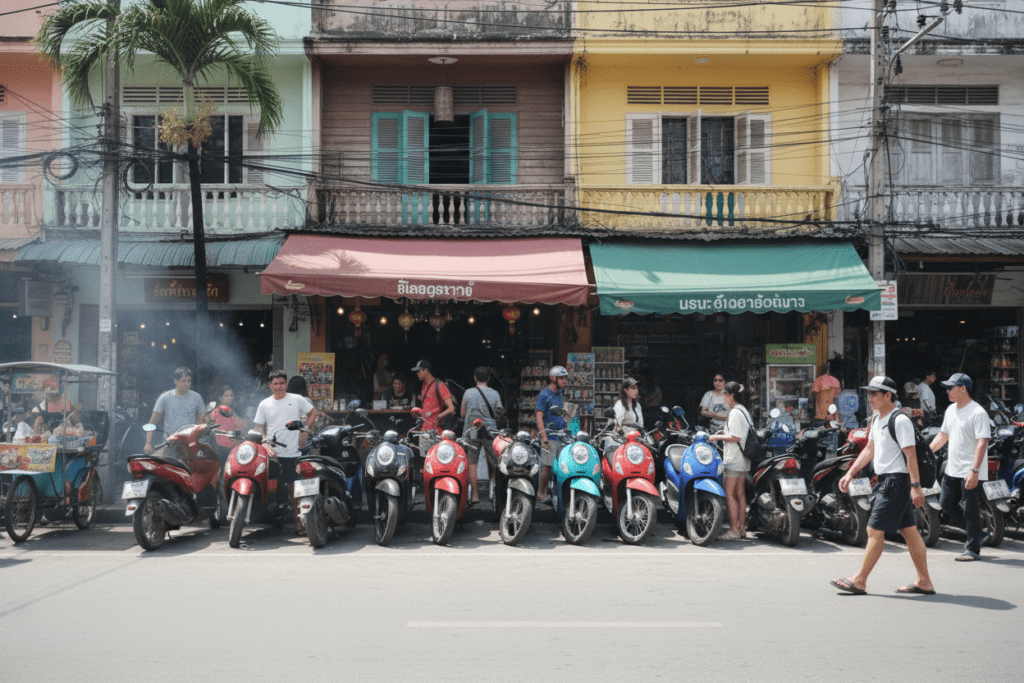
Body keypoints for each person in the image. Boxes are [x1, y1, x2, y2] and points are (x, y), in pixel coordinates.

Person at [829, 376, 935, 596]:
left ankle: (859, 580)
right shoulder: (877, 418)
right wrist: (850, 473)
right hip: (888, 480)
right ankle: (924, 581)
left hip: (896, 481)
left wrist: (915, 486)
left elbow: (910, 455)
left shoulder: (900, 420)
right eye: (868, 394)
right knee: (910, 532)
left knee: (873, 530)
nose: (869, 398)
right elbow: (869, 449)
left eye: (874, 394)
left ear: (888, 396)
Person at [928, 373, 991, 562]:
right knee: (946, 503)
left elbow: (982, 443)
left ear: (963, 389)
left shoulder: (978, 412)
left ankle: (972, 548)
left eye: (950, 388)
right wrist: (928, 452)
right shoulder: (950, 410)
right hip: (952, 469)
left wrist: (974, 470)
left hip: (970, 470)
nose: (947, 391)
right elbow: (943, 435)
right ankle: (978, 534)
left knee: (970, 509)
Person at [254, 370, 317, 534]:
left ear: (286, 384)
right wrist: (264, 440)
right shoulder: (264, 404)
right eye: (275, 384)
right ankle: (263, 518)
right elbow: (259, 427)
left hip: (293, 452)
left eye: (282, 383)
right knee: (269, 487)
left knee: (294, 489)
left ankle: (299, 524)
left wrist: (305, 430)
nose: (279, 386)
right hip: (272, 452)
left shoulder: (296, 399)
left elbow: (313, 412)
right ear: (270, 385)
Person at [709, 381, 752, 540]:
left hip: (734, 458)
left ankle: (733, 530)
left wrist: (717, 436)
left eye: (725, 394)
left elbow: (736, 436)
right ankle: (741, 528)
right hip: (744, 458)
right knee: (740, 494)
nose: (724, 398)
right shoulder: (744, 410)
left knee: (729, 493)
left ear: (731, 395)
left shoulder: (734, 413)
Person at [461, 366, 503, 504]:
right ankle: (496, 491)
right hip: (489, 431)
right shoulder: (495, 393)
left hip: (471, 430)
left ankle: (475, 495)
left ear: (475, 379)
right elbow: (499, 413)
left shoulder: (467, 393)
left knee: (472, 462)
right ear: (489, 378)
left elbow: (462, 414)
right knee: (496, 461)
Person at [145, 367, 206, 455]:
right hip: (170, 444)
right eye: (183, 381)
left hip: (190, 444)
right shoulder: (165, 398)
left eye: (189, 381)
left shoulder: (197, 398)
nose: (187, 384)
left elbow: (201, 422)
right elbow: (152, 423)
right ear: (175, 381)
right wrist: (148, 444)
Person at [535, 365, 568, 504]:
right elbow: (539, 416)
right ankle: (541, 492)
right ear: (553, 379)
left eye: (565, 378)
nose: (564, 381)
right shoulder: (544, 394)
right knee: (547, 465)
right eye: (561, 378)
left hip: (560, 435)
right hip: (549, 435)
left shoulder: (560, 394)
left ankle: (556, 492)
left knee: (560, 465)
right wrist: (543, 436)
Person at [413, 360, 455, 459]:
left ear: (426, 370)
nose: (417, 373)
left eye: (419, 371)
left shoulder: (440, 385)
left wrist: (439, 416)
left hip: (435, 430)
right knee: (425, 459)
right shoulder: (424, 386)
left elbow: (451, 408)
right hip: (424, 429)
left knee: (436, 458)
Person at [209, 385, 244, 461]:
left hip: (234, 449)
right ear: (220, 398)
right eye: (226, 396)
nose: (229, 398)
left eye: (231, 395)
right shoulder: (215, 412)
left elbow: (241, 428)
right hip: (219, 449)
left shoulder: (236, 411)